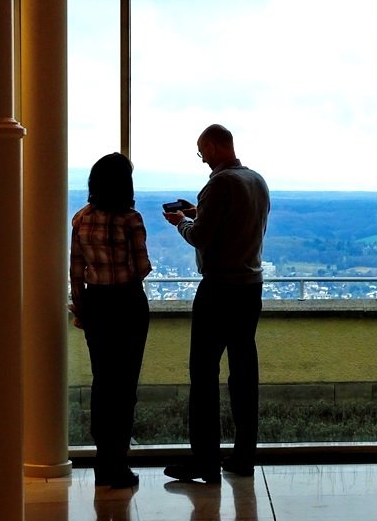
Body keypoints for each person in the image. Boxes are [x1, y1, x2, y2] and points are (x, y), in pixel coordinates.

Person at [162, 124, 270, 484]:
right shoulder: (257, 181)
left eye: (201, 152)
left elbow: (201, 236)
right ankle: (243, 456)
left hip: (219, 289)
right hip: (250, 288)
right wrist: (199, 211)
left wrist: (181, 222)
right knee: (243, 372)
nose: (202, 159)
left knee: (203, 373)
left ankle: (204, 460)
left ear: (212, 146)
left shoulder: (220, 183)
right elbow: (234, 223)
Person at [69, 152, 151, 489]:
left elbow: (76, 270)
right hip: (128, 302)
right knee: (125, 385)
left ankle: (104, 464)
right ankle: (119, 462)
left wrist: (82, 306)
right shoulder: (131, 220)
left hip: (97, 304)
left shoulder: (80, 219)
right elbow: (142, 267)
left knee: (102, 383)